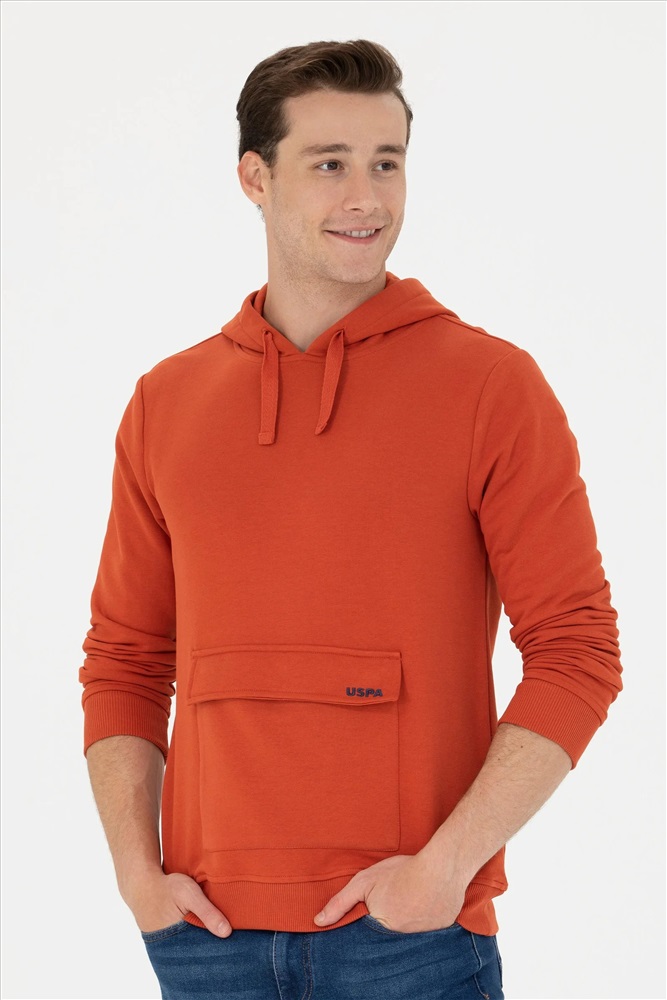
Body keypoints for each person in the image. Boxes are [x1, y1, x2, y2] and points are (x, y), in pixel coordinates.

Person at [79, 38, 623, 1000]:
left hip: (411, 941)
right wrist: (136, 876)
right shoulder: (167, 402)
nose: (366, 198)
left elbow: (577, 649)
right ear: (255, 177)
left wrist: (446, 869)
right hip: (206, 939)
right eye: (329, 164)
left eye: (386, 163)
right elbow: (125, 659)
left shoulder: (489, 387)